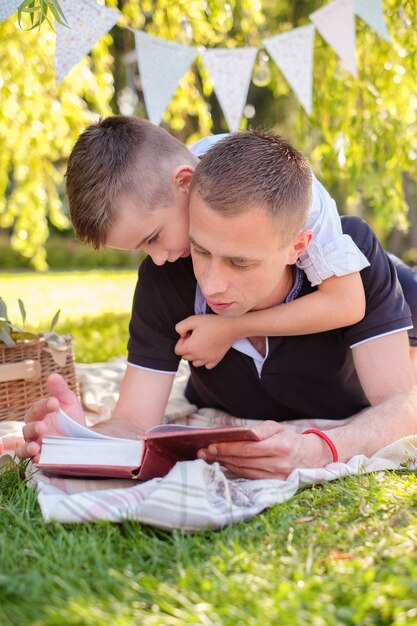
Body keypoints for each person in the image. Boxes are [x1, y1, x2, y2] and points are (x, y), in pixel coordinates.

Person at [16, 129, 417, 479]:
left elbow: (402, 405)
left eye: (239, 262)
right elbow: (133, 422)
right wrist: (80, 437)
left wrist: (314, 449)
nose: (212, 283)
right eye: (200, 250)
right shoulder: (167, 272)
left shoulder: (343, 253)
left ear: (297, 247)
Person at [66, 116, 369, 370]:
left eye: (154, 238)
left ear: (185, 182)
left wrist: (233, 328)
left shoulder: (285, 197)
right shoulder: (164, 183)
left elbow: (346, 302)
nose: (157, 259)